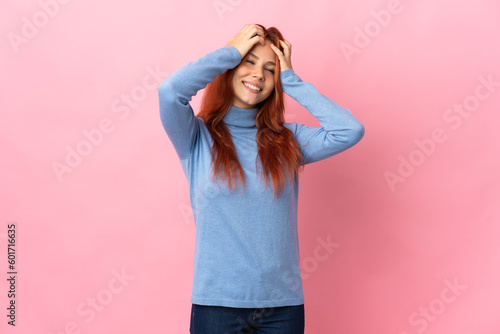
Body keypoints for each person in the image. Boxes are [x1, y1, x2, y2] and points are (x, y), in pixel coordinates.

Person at [157, 23, 365, 334]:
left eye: (270, 69)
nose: (258, 75)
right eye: (249, 61)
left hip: (282, 309)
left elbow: (349, 130)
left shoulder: (288, 140)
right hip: (217, 307)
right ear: (231, 67)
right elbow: (169, 92)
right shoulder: (197, 137)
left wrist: (291, 80)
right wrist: (229, 53)